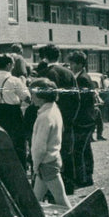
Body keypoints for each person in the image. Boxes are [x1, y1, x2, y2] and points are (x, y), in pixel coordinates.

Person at [35, 44, 78, 194]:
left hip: (51, 118)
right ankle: (68, 186)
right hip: (66, 119)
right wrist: (70, 119)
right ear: (58, 56)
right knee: (67, 152)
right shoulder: (69, 73)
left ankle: (53, 191)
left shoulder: (46, 74)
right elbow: (76, 98)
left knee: (51, 154)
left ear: (44, 57)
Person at [29, 78, 70, 208]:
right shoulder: (54, 110)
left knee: (61, 201)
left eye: (33, 94)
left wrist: (35, 165)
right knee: (36, 199)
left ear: (41, 97)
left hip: (46, 163)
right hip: (51, 160)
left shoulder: (44, 117)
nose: (31, 98)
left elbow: (39, 147)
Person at [68, 50, 98, 188]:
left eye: (73, 63)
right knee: (85, 149)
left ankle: (82, 178)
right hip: (88, 119)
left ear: (80, 64)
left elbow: (81, 102)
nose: (71, 66)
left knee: (78, 150)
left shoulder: (82, 79)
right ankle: (88, 176)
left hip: (83, 120)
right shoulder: (83, 77)